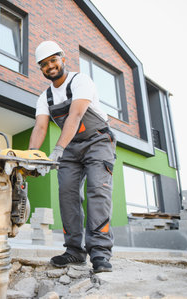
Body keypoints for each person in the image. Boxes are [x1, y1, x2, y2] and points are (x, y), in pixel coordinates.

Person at [29, 41, 116, 273]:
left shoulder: (80, 81)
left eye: (53, 60)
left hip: (98, 141)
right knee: (67, 193)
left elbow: (76, 115)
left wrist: (57, 149)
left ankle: (99, 253)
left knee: (97, 191)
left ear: (63, 58)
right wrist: (30, 158)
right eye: (44, 64)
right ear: (41, 69)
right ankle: (75, 251)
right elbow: (39, 128)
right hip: (71, 146)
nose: (50, 66)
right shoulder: (44, 97)